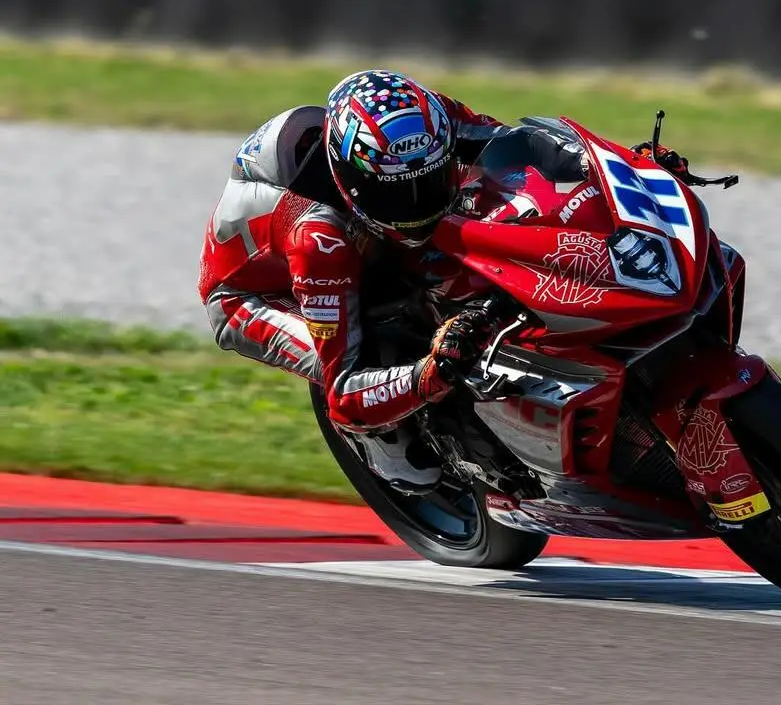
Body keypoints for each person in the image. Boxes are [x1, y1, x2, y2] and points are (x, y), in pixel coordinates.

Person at [196, 69, 692, 493]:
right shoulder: (320, 239)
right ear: (354, 183)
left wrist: (626, 168)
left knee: (487, 226)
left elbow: (525, 158)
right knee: (362, 386)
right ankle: (384, 447)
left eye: (429, 180)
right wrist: (431, 371)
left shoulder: (434, 121)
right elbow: (345, 395)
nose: (418, 203)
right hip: (256, 296)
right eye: (398, 194)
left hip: (363, 229)